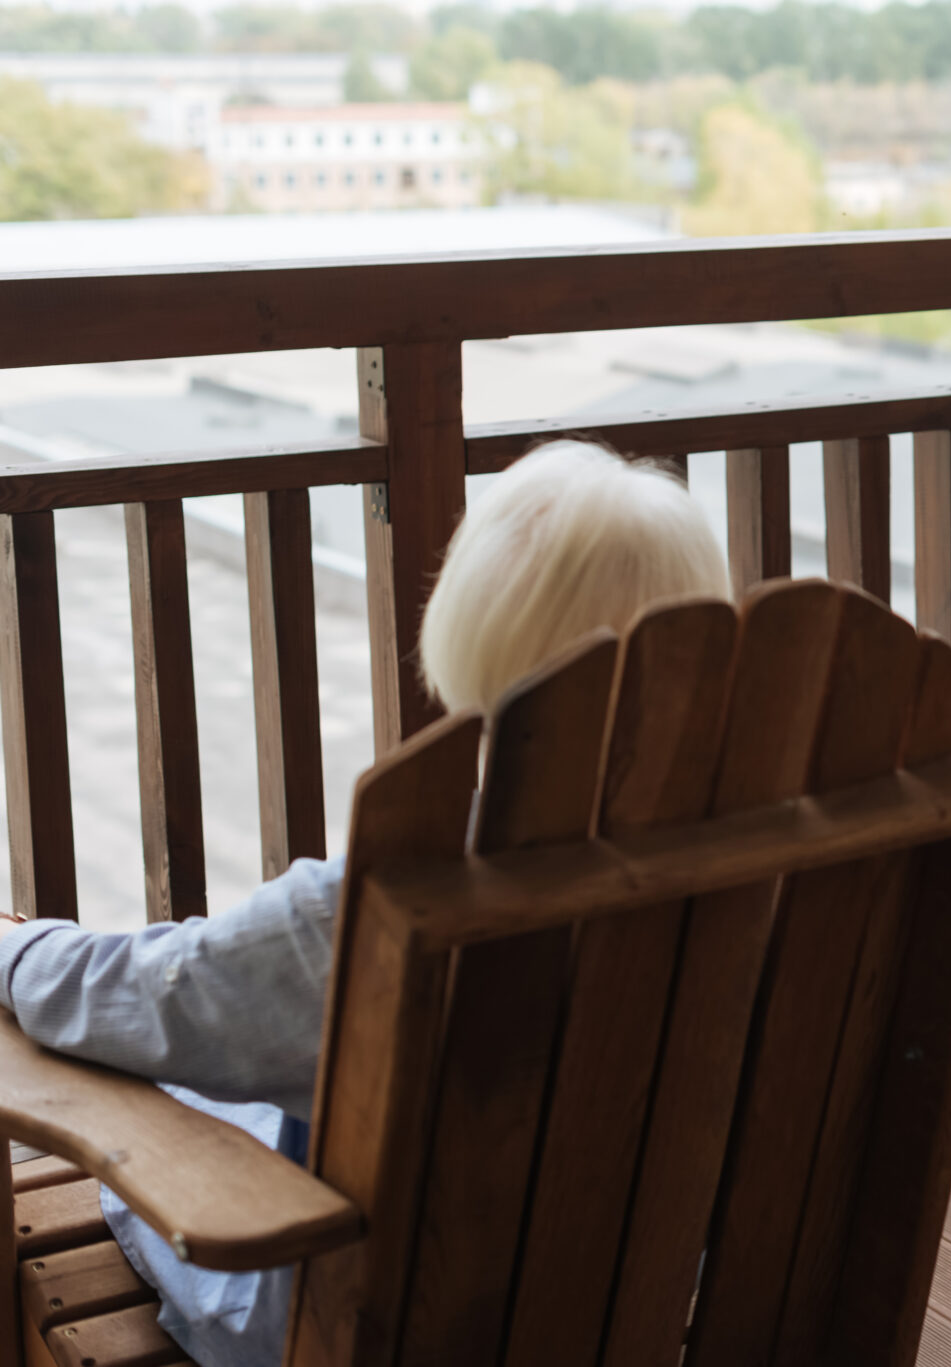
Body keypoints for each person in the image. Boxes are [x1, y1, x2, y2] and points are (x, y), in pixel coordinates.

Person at [0, 440, 730, 1367]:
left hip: (358, 1327)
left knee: (166, 1103)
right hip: (643, 1296)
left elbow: (146, 996)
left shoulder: (384, 904)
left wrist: (18, 949)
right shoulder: (770, 861)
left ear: (477, 616)